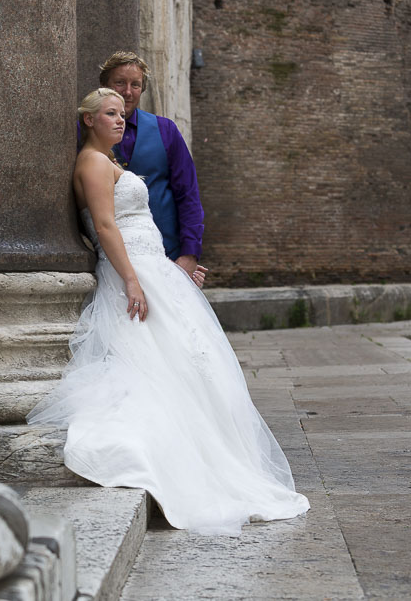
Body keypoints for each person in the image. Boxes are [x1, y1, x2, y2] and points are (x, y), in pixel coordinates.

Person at [28, 89, 309, 535]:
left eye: (122, 114)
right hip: (133, 272)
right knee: (154, 363)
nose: (120, 120)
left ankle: (215, 457)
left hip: (153, 266)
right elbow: (105, 226)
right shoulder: (93, 163)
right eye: (110, 114)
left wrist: (169, 271)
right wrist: (134, 281)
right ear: (87, 120)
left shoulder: (110, 161)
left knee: (190, 364)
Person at [99, 51, 208, 288]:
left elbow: (188, 196)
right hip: (111, 261)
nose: (127, 92)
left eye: (135, 85)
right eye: (120, 83)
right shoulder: (84, 132)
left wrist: (189, 255)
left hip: (168, 256)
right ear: (104, 85)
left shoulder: (166, 130)